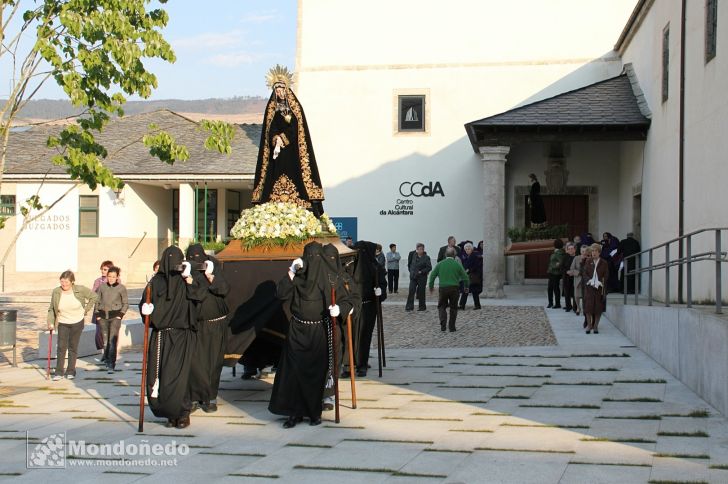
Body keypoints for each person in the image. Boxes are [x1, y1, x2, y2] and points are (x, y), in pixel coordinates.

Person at [268, 242, 352, 428]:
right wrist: (290, 272)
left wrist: (339, 309)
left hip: (319, 331)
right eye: (309, 258)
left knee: (315, 374)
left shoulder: (331, 278)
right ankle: (294, 413)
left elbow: (346, 301)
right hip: (298, 329)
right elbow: (281, 294)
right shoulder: (298, 277)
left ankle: (314, 413)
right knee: (294, 374)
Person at [251, 64, 325, 216]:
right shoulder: (271, 109)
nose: (279, 93)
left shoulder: (295, 108)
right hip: (276, 153)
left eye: (281, 90)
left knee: (297, 175)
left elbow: (296, 128)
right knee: (273, 176)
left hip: (293, 151)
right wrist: (275, 139)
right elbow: (269, 128)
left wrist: (283, 139)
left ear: (286, 90)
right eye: (276, 91)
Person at [140, 246, 197, 429]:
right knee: (161, 375)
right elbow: (146, 302)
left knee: (180, 375)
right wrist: (145, 310)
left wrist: (189, 279)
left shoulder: (186, 280)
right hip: (161, 335)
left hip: (182, 334)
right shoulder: (155, 283)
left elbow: (200, 298)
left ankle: (182, 412)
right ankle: (168, 412)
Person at [186, 244, 230, 414]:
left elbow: (224, 289)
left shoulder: (213, 267)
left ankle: (209, 397)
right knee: (196, 363)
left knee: (213, 363)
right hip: (196, 325)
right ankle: (194, 397)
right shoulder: (187, 272)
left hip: (216, 324)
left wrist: (210, 276)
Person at [47, 270, 97, 380]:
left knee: (72, 347)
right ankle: (59, 372)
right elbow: (51, 309)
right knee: (61, 347)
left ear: (72, 282)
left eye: (67, 282)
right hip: (63, 321)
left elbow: (94, 296)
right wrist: (50, 322)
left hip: (77, 322)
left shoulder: (80, 289)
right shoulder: (56, 292)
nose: (64, 284)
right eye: (62, 282)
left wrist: (86, 309)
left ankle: (71, 371)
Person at [352, 241, 386, 377]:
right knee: (351, 336)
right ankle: (350, 363)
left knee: (365, 336)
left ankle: (362, 364)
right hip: (352, 306)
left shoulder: (375, 267)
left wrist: (380, 292)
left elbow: (383, 285)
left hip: (368, 305)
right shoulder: (350, 266)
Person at [94, 266, 128, 374]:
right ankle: (107, 357)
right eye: (109, 276)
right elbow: (97, 301)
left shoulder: (121, 288)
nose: (111, 278)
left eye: (114, 276)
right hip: (103, 317)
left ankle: (111, 364)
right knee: (105, 341)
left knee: (112, 340)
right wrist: (97, 314)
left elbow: (125, 303)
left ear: (117, 277)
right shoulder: (102, 287)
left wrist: (120, 315)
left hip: (115, 317)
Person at [429, 247, 470, 332]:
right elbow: (465, 277)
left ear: (445, 255)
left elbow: (432, 275)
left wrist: (431, 286)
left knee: (441, 306)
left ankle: (443, 324)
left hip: (443, 288)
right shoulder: (457, 264)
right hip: (454, 288)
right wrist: (466, 287)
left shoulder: (440, 264)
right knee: (453, 307)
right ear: (454, 255)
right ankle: (452, 327)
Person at [584, 243, 609, 334]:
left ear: (599, 252)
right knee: (588, 307)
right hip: (589, 287)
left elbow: (606, 275)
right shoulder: (588, 261)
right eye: (592, 251)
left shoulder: (604, 262)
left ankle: (595, 326)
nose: (594, 253)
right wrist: (589, 281)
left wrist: (601, 282)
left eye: (596, 251)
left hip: (599, 288)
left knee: (598, 308)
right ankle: (589, 325)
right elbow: (585, 273)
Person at [92, 260, 114, 356]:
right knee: (99, 334)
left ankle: (109, 354)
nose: (103, 271)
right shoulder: (98, 281)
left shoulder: (116, 280)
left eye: (105, 269)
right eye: (102, 269)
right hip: (99, 310)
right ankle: (105, 351)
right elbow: (93, 293)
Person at [406, 243, 432, 311]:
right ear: (417, 249)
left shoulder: (426, 257)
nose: (421, 250)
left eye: (422, 249)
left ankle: (422, 307)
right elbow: (409, 265)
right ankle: (409, 306)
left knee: (421, 292)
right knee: (411, 290)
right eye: (419, 249)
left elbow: (429, 267)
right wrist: (411, 272)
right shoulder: (413, 255)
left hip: (422, 277)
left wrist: (422, 271)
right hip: (413, 277)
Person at [458, 242, 483, 310]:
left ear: (471, 249)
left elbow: (476, 266)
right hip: (468, 277)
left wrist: (468, 270)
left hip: (472, 276)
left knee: (473, 292)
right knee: (467, 291)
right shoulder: (468, 256)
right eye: (466, 249)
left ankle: (476, 305)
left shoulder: (474, 256)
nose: (467, 250)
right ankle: (462, 305)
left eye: (468, 249)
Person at [567, 245, 589, 316]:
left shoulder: (590, 258)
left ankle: (585, 308)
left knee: (586, 296)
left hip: (587, 280)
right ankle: (578, 308)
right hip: (578, 280)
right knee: (577, 296)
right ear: (580, 251)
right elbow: (571, 269)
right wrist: (578, 273)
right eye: (583, 251)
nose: (584, 252)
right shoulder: (576, 258)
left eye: (585, 251)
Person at [547, 239, 565, 308]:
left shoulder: (559, 253)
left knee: (555, 288)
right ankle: (550, 303)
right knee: (550, 288)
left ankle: (557, 304)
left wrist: (553, 266)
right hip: (552, 272)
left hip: (556, 273)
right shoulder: (556, 252)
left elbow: (560, 262)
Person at [562, 242, 576, 312]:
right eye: (569, 249)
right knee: (567, 293)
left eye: (572, 249)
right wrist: (567, 271)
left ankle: (575, 307)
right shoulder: (565, 257)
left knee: (574, 293)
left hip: (574, 277)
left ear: (575, 250)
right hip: (566, 277)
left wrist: (573, 272)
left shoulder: (577, 257)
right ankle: (568, 306)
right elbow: (562, 267)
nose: (570, 250)